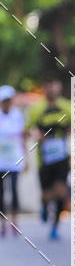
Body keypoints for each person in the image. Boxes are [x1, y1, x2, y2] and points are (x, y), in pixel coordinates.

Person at [27, 78, 71, 240]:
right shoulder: (36, 109)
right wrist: (36, 136)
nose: (51, 88)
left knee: (60, 192)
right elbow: (27, 130)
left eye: (54, 84)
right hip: (44, 159)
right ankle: (44, 206)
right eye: (48, 84)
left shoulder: (67, 107)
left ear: (59, 86)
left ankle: (55, 226)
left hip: (61, 157)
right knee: (46, 195)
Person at [0, 85, 25, 236]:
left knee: (14, 191)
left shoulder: (17, 115)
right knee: (1, 193)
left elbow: (21, 136)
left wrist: (25, 159)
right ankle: (3, 224)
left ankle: (15, 222)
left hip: (14, 160)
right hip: (1, 161)